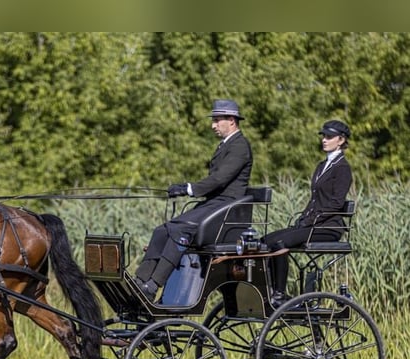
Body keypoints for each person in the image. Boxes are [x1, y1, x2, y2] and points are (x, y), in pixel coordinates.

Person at [135, 99, 253, 301]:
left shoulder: (240, 146)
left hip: (227, 210)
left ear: (231, 120)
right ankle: (140, 280)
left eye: (217, 120)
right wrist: (184, 188)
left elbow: (219, 178)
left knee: (183, 229)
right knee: (163, 230)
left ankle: (153, 285)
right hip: (214, 204)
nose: (213, 125)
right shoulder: (225, 145)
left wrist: (189, 189)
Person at [263, 119, 353, 307]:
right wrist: (303, 219)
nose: (324, 140)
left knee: (281, 243)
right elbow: (314, 199)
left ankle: (279, 294)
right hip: (314, 223)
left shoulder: (343, 169)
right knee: (267, 240)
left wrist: (310, 219)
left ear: (341, 140)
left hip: (329, 227)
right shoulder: (322, 166)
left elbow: (336, 203)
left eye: (329, 137)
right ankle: (269, 290)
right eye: (323, 136)